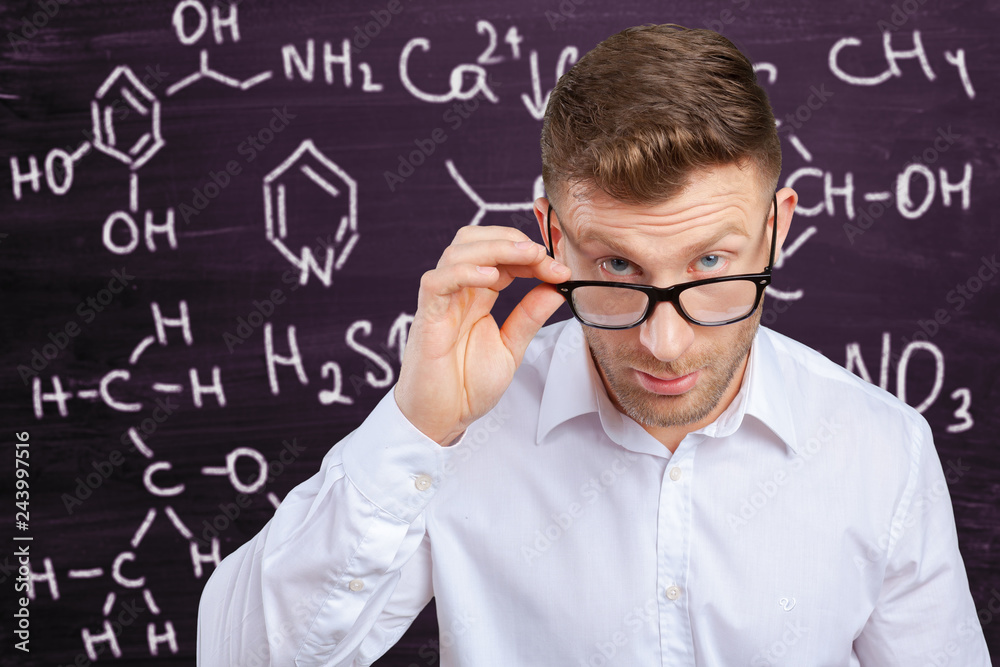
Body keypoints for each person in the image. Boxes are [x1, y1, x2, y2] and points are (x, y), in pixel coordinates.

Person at [197, 24, 991, 666]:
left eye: (710, 263)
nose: (666, 339)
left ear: (777, 227)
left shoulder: (880, 451)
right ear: (553, 239)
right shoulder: (462, 433)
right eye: (617, 266)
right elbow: (238, 657)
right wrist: (415, 429)